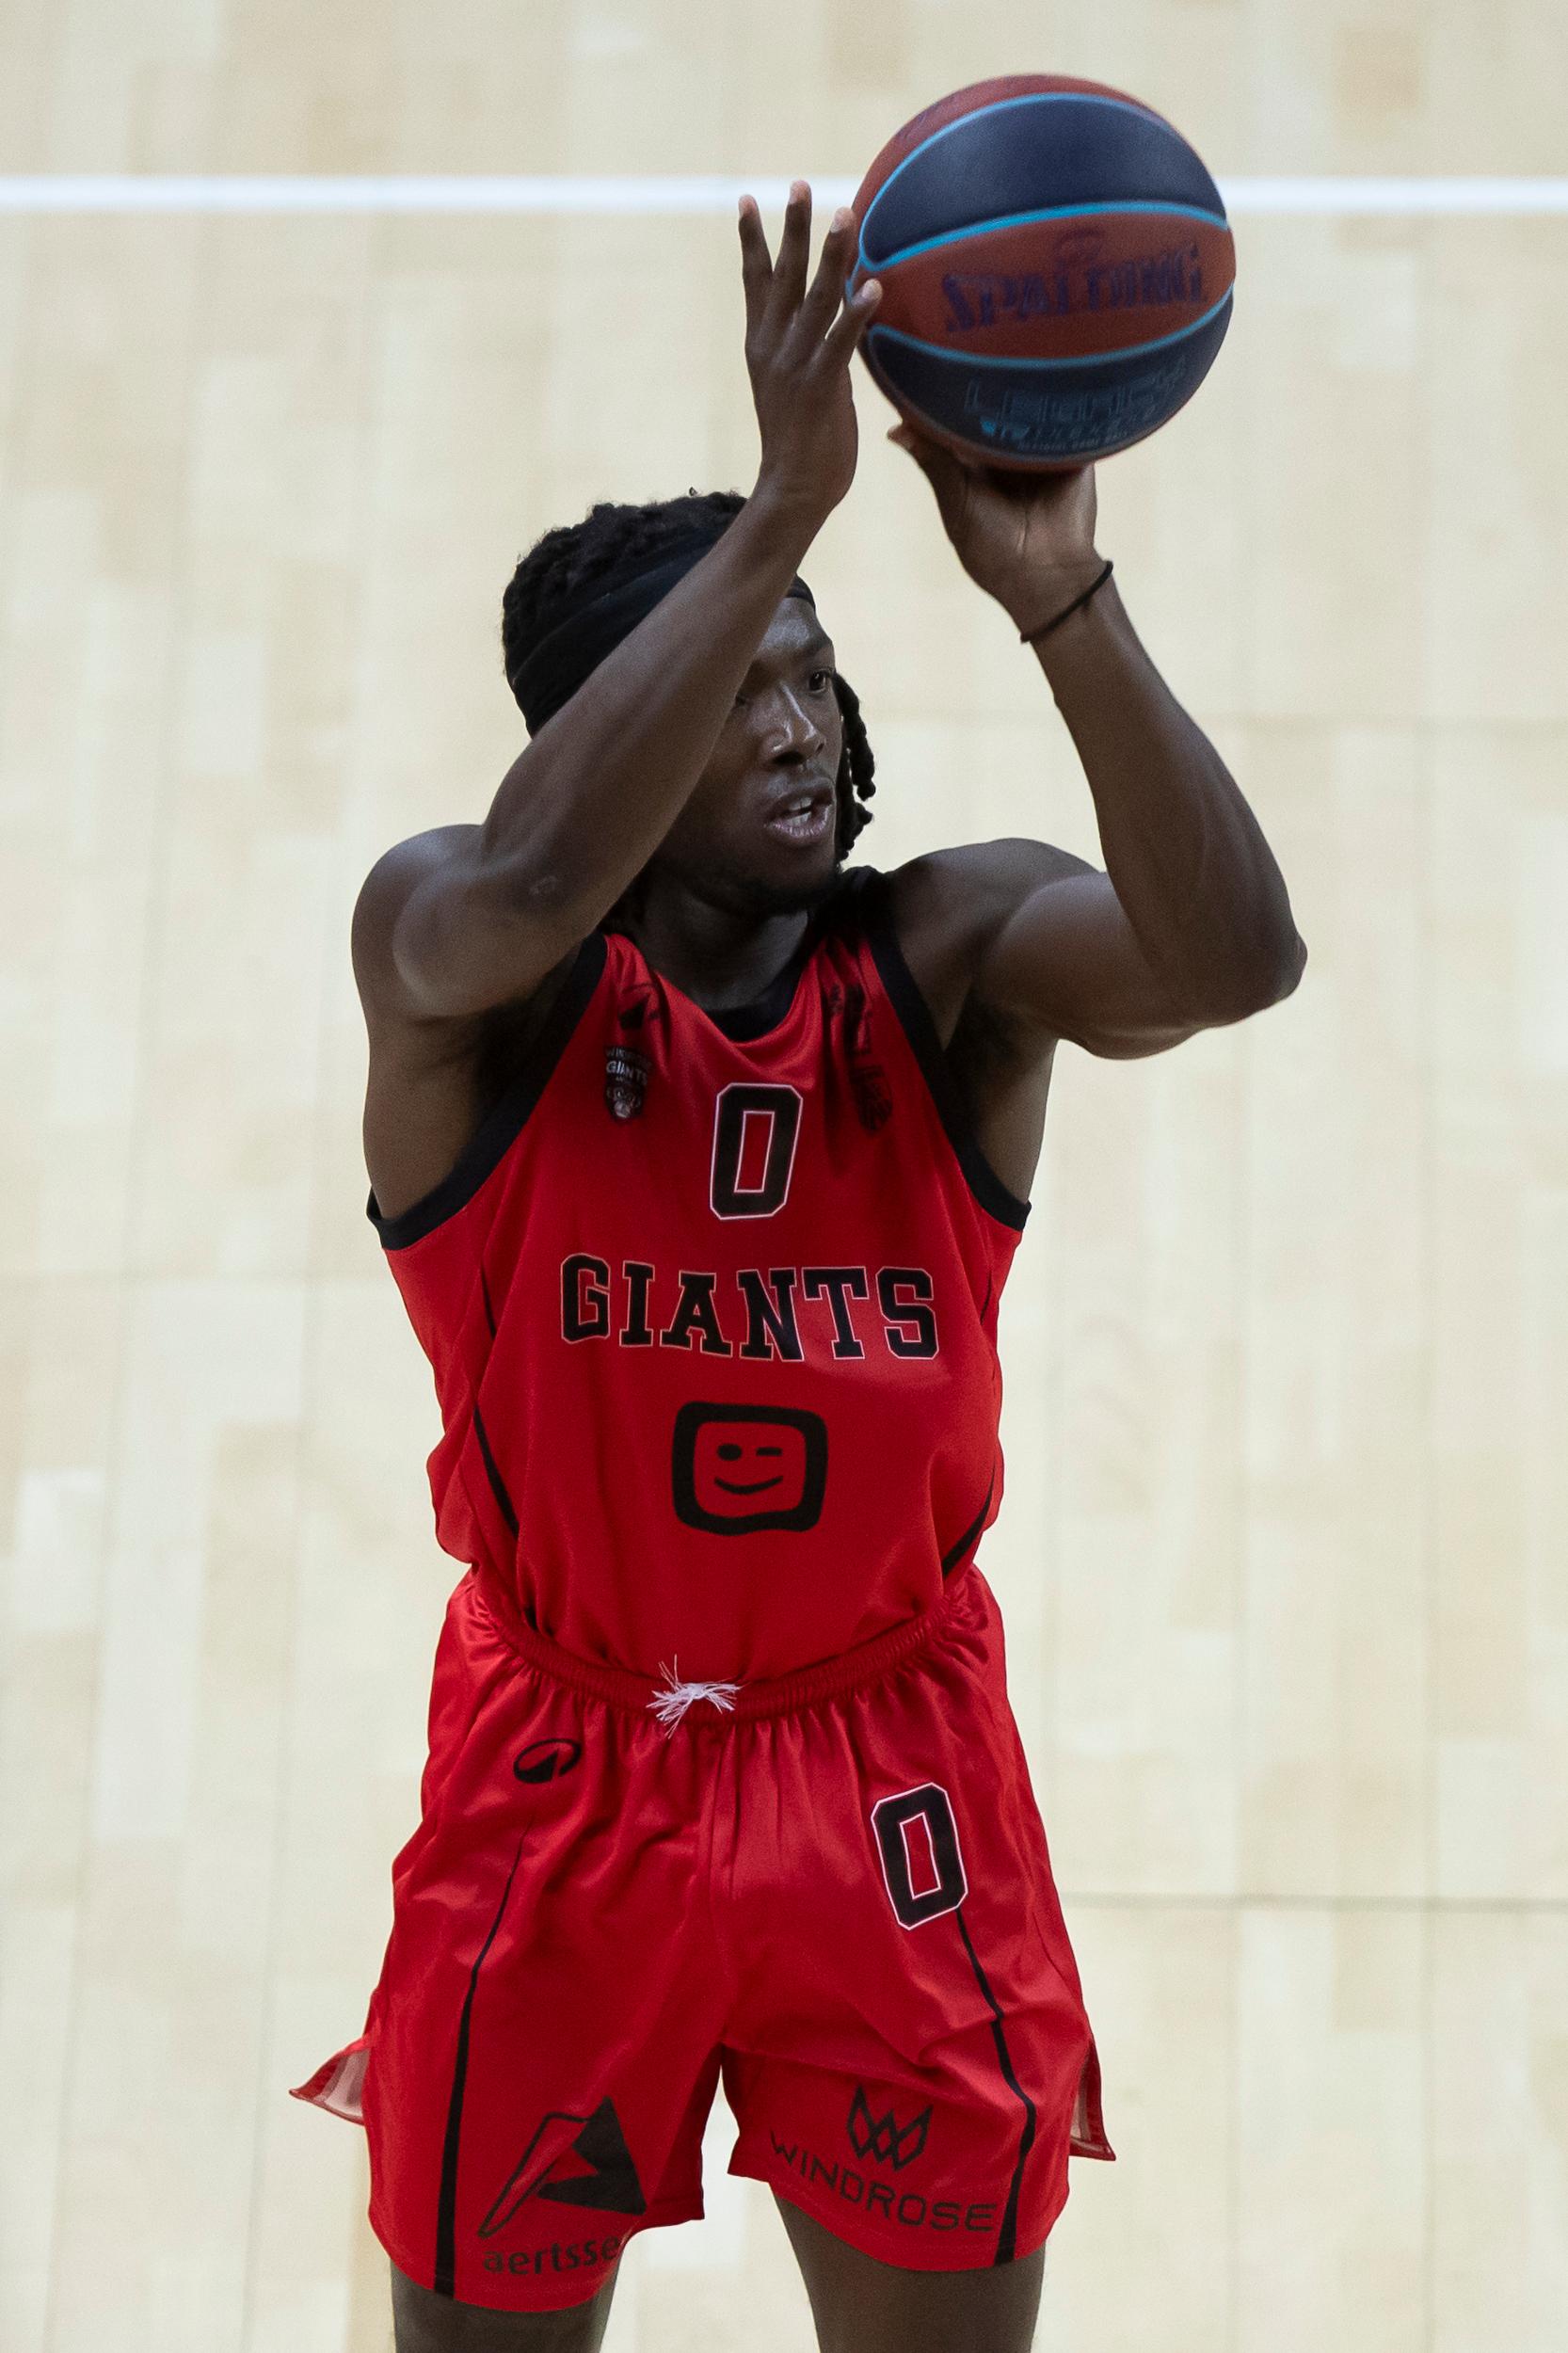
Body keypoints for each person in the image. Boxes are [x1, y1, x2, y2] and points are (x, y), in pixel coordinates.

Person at [292, 182, 1305, 2353]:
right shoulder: (458, 972)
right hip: (564, 1787)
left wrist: (1061, 602)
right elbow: (537, 867)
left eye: (817, 672)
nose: (798, 727)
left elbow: (1236, 957)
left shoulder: (945, 957)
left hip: (891, 1777)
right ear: (609, 737)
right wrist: (775, 516)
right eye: (737, 691)